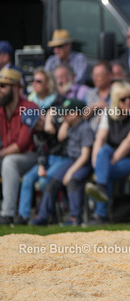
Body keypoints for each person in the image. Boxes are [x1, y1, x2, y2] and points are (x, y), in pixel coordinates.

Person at [84, 81, 130, 224]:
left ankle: (101, 212)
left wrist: (106, 164)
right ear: (116, 101)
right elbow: (100, 139)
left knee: (105, 174)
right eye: (123, 99)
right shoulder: (108, 114)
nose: (128, 101)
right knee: (103, 151)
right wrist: (95, 161)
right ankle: (102, 197)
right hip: (109, 154)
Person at [30, 98, 94, 226]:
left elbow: (85, 156)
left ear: (75, 114)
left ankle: (76, 218)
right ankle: (43, 216)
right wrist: (66, 123)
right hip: (71, 161)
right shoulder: (70, 125)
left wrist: (70, 173)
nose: (63, 115)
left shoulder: (85, 128)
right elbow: (60, 137)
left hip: (83, 163)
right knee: (52, 183)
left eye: (66, 113)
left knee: (73, 181)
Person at [0, 68, 39, 225]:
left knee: (9, 162)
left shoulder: (30, 108)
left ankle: (7, 213)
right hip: (7, 154)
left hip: (31, 157)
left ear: (16, 87)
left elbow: (21, 145)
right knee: (8, 160)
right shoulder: (1, 109)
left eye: (3, 86)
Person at [84, 61, 112, 131]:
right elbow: (79, 118)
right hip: (87, 134)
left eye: (98, 75)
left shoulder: (117, 94)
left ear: (109, 76)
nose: (95, 78)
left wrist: (107, 113)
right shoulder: (89, 93)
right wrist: (92, 107)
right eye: (93, 75)